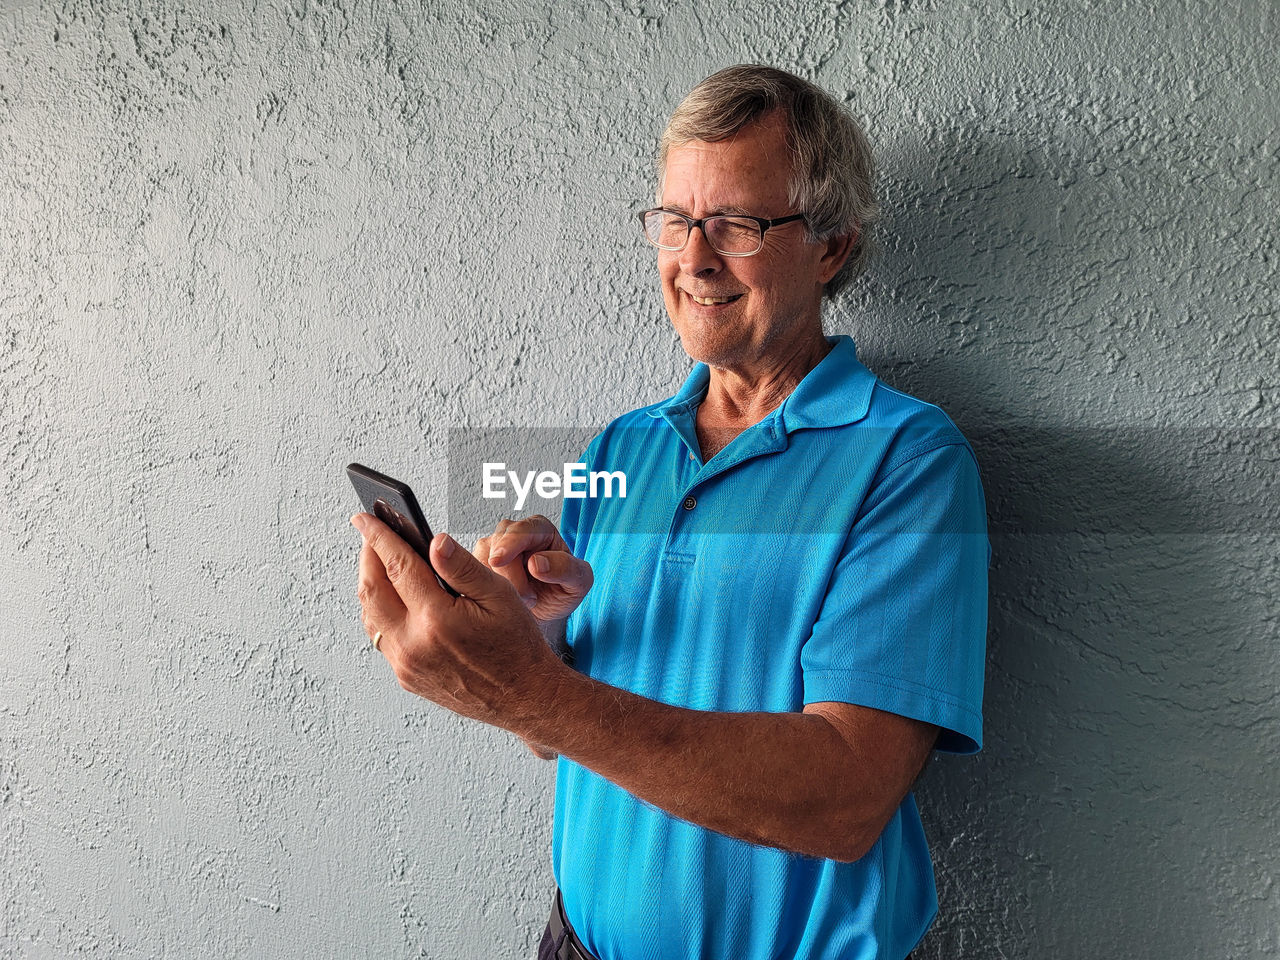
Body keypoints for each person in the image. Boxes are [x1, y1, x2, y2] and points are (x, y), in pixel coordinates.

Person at [352, 64, 990, 960]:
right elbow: (562, 733)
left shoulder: (908, 461)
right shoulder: (619, 453)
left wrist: (534, 691)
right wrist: (534, 633)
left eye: (735, 224)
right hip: (574, 943)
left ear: (833, 247)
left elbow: (847, 798)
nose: (694, 258)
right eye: (676, 221)